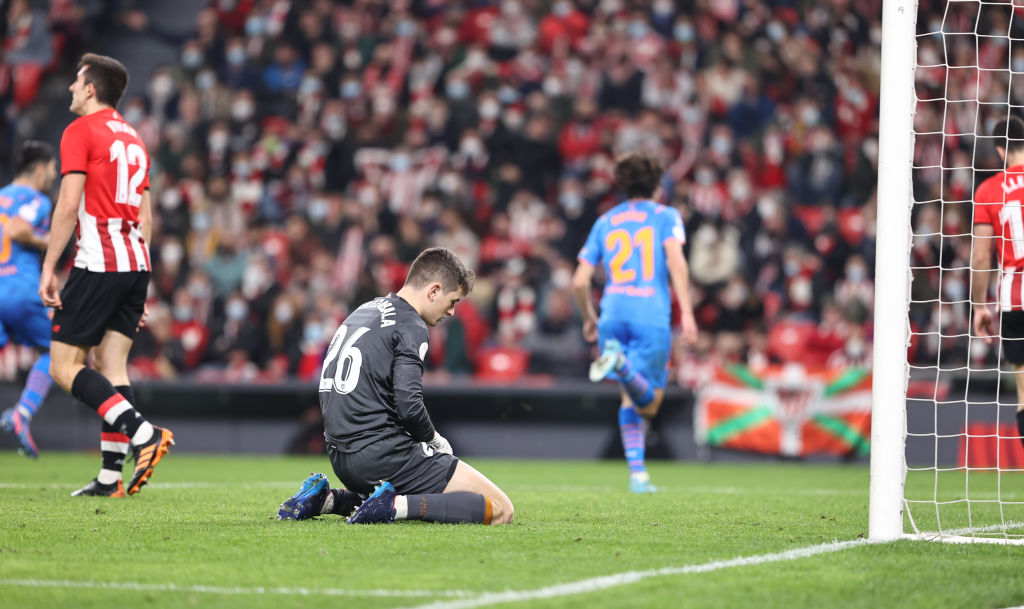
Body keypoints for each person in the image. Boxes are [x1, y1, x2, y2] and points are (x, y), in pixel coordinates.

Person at [278, 247, 514, 525]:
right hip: (382, 455)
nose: (452, 312)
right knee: (501, 509)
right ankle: (394, 506)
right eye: (453, 301)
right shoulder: (410, 323)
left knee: (407, 481)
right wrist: (434, 440)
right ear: (434, 290)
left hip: (340, 456)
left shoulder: (363, 311)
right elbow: (409, 405)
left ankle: (329, 499)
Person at [40, 53, 173, 498]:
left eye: (77, 81)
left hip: (99, 261)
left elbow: (67, 205)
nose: (71, 88)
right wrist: (139, 282)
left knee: (64, 366)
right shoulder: (135, 138)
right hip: (135, 263)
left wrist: (49, 267)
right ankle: (110, 478)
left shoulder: (80, 131)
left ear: (91, 89)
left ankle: (144, 434)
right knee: (112, 365)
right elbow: (146, 218)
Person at [571, 151, 698, 493]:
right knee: (650, 403)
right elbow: (676, 262)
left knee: (630, 399)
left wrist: (590, 318)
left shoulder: (606, 220)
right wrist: (687, 312)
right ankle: (622, 365)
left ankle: (638, 476)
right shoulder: (666, 215)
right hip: (650, 315)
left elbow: (579, 282)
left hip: (612, 314)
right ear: (658, 186)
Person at [0, 140, 57, 458]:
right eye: (52, 168)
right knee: (56, 350)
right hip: (20, 290)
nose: (53, 175)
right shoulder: (36, 199)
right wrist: (47, 242)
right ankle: (22, 413)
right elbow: (18, 230)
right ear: (38, 169)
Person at [972, 115, 1024, 452]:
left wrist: (979, 306)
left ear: (1000, 150)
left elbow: (980, 257)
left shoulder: (989, 190)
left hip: (1015, 297)